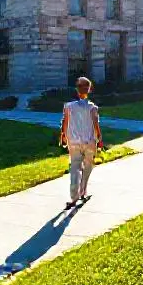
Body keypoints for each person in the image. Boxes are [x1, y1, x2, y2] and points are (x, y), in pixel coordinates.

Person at [59, 76, 103, 208]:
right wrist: (100, 140)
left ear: (77, 90)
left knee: (74, 168)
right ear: (89, 90)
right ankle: (83, 191)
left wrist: (63, 136)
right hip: (89, 142)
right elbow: (96, 126)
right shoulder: (92, 108)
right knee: (88, 167)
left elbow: (64, 123)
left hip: (74, 142)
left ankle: (74, 197)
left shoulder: (68, 107)